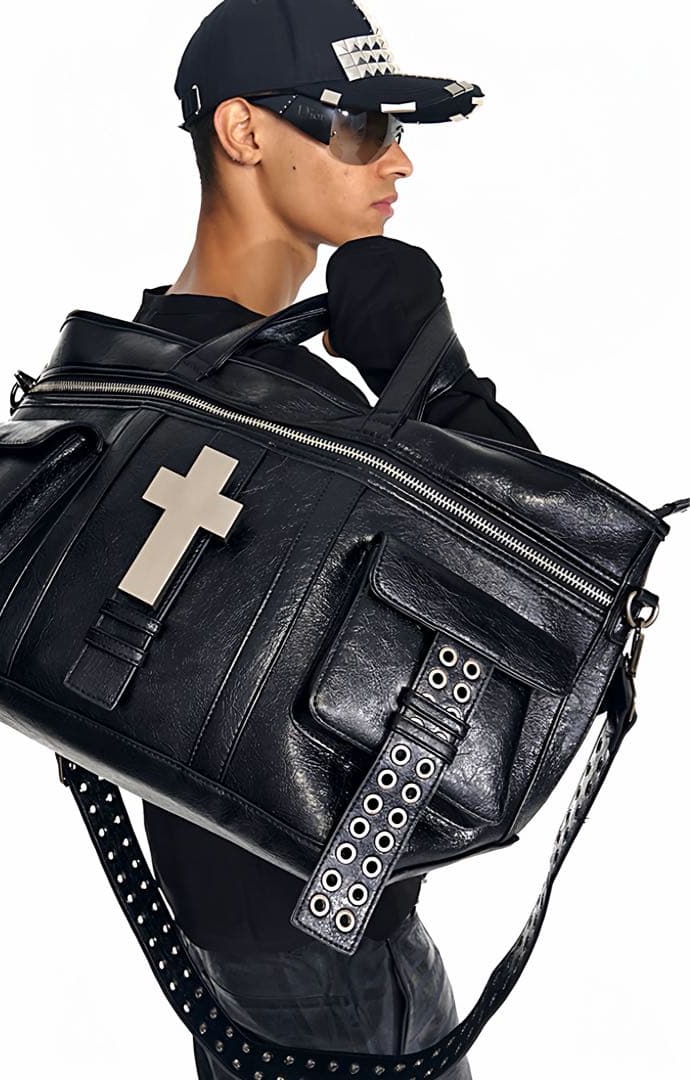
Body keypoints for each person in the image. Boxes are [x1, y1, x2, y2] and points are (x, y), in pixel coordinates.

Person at [136, 2, 539, 1076]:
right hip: (327, 959)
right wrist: (432, 377)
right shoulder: (294, 415)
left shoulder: (141, 364)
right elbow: (540, 593)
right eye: (360, 128)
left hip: (241, 942)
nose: (397, 160)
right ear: (244, 132)